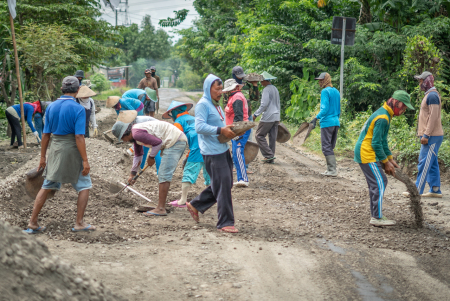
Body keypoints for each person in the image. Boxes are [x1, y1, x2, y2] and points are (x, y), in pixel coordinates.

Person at [24, 76, 94, 234]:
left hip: (55, 148)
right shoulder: (78, 109)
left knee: (47, 185)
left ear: (62, 89)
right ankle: (79, 223)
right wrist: (85, 160)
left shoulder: (51, 107)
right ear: (77, 90)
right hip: (71, 149)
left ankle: (33, 223)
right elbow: (79, 137)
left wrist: (42, 157)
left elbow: (46, 135)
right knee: (84, 186)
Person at [186, 74, 239, 233]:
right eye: (218, 88)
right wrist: (220, 130)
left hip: (222, 149)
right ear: (208, 89)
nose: (221, 92)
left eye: (221, 88)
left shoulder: (215, 104)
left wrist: (232, 131)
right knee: (222, 187)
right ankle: (225, 222)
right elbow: (199, 127)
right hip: (212, 152)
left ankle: (196, 204)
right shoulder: (203, 104)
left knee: (225, 184)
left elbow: (221, 125)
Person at [354, 90, 414, 227]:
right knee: (380, 182)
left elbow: (383, 141)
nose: (404, 110)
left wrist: (390, 159)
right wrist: (385, 163)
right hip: (366, 153)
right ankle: (376, 217)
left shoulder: (386, 113)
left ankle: (376, 214)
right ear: (396, 102)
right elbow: (375, 143)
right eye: (404, 106)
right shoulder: (383, 117)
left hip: (368, 152)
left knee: (377, 183)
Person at [111, 120, 187, 216]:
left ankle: (160, 208)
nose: (124, 141)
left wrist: (151, 157)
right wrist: (132, 174)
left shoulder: (136, 133)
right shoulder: (136, 135)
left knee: (163, 174)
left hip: (175, 141)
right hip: (175, 140)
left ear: (125, 133)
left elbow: (158, 143)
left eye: (122, 138)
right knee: (164, 174)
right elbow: (138, 155)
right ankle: (160, 207)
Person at [163, 101, 210, 207]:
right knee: (209, 173)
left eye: (171, 114)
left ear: (174, 112)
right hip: (208, 145)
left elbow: (177, 139)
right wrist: (187, 157)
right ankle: (211, 198)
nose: (171, 117)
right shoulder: (194, 118)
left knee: (188, 172)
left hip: (197, 148)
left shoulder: (178, 122)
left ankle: (183, 200)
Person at [406, 72, 444, 198]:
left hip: (432, 136)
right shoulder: (429, 95)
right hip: (432, 135)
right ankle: (435, 189)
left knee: (423, 162)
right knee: (431, 163)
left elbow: (433, 118)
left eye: (421, 81)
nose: (420, 83)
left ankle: (417, 191)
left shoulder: (432, 96)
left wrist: (426, 135)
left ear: (427, 81)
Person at [310, 72, 341, 176]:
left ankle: (332, 170)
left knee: (326, 146)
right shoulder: (336, 91)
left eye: (321, 80)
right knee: (330, 146)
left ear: (325, 80)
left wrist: (316, 118)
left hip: (327, 122)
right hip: (336, 122)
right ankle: (331, 169)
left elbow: (324, 108)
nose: (319, 82)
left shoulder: (325, 91)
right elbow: (338, 109)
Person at [223, 78, 251, 187]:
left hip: (240, 130)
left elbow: (238, 117)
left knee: (238, 153)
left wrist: (236, 133)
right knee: (236, 154)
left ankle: (243, 179)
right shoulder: (234, 97)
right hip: (237, 129)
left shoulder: (237, 97)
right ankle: (241, 178)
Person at [253, 71, 280, 164]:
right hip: (276, 116)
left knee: (259, 135)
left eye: (261, 80)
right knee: (272, 137)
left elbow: (264, 104)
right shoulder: (275, 88)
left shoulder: (266, 90)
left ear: (265, 80)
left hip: (268, 116)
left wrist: (255, 114)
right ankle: (271, 157)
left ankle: (269, 155)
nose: (261, 83)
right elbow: (278, 103)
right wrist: (278, 117)